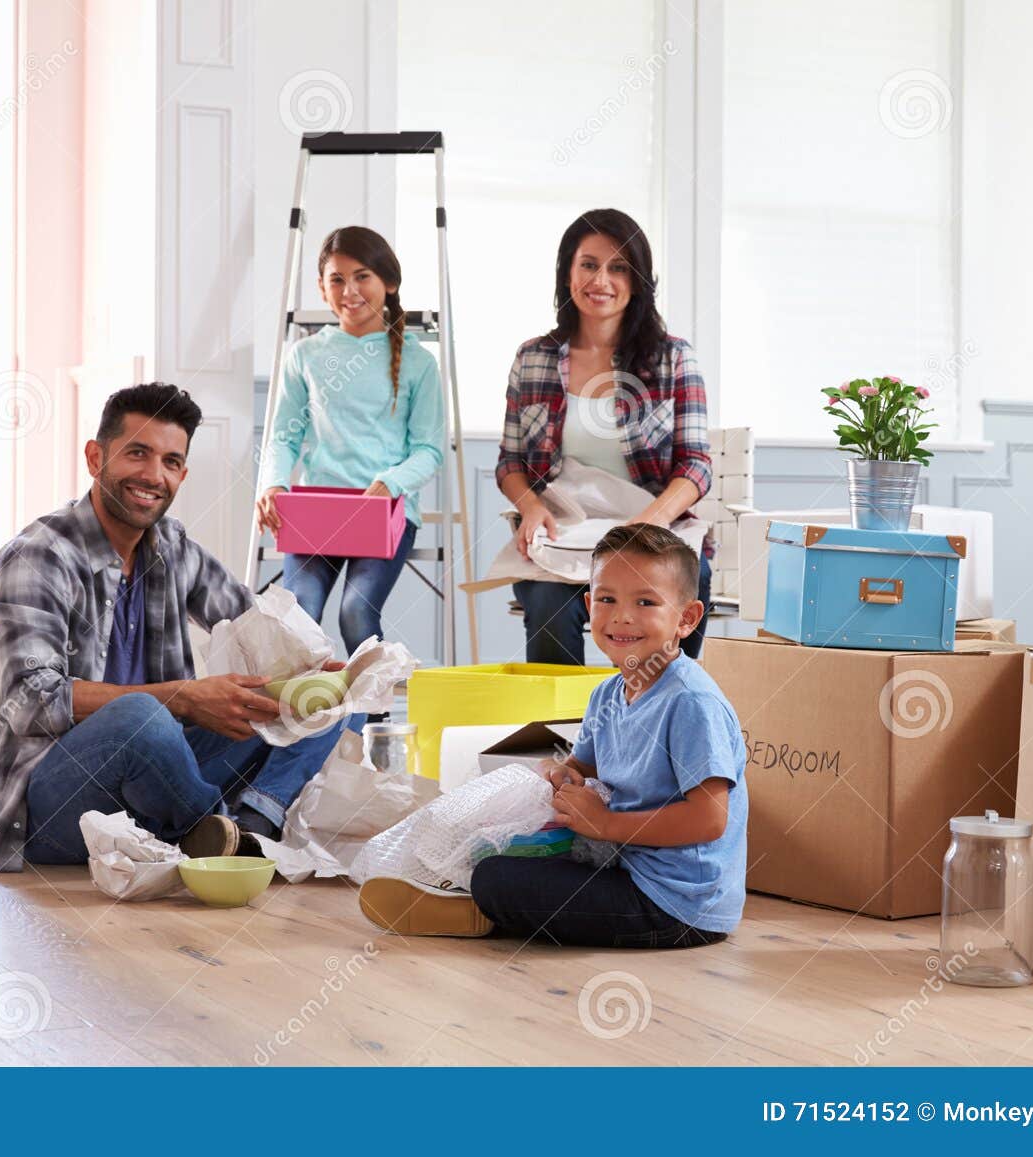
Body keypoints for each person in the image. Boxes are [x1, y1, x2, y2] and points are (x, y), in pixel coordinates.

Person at [0, 382, 352, 874]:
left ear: (182, 474)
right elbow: (31, 702)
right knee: (141, 717)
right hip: (52, 808)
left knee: (334, 704)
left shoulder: (171, 546)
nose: (154, 475)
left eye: (171, 462)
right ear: (95, 457)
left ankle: (249, 830)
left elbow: (253, 622)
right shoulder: (38, 556)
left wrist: (317, 674)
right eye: (137, 454)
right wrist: (183, 698)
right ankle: (217, 832)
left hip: (155, 786)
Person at [357, 523, 748, 948]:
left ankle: (479, 906)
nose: (622, 616)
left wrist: (606, 823)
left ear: (686, 619)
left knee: (497, 878)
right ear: (588, 605)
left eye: (646, 602)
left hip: (676, 905)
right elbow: (583, 767)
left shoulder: (690, 702)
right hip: (622, 863)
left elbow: (710, 819)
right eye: (607, 599)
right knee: (496, 848)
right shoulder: (608, 694)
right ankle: (468, 894)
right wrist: (558, 773)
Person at [495, 208, 716, 665]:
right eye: (589, 264)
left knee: (696, 579)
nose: (602, 280)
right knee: (544, 602)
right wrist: (531, 508)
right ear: (567, 272)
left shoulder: (673, 358)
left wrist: (651, 521)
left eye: (619, 267)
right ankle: (561, 731)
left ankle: (662, 711)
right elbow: (511, 463)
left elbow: (695, 464)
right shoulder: (533, 357)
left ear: (638, 280)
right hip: (563, 533)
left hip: (652, 531)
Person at [256, 226, 445, 655]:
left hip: (384, 512)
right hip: (317, 512)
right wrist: (272, 484)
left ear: (389, 283)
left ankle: (373, 719)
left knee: (355, 613)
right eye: (336, 279)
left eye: (362, 277)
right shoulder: (304, 356)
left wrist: (390, 483)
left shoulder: (418, 362)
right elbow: (284, 438)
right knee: (299, 613)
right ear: (322, 289)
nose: (349, 290)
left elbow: (429, 451)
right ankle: (307, 719)